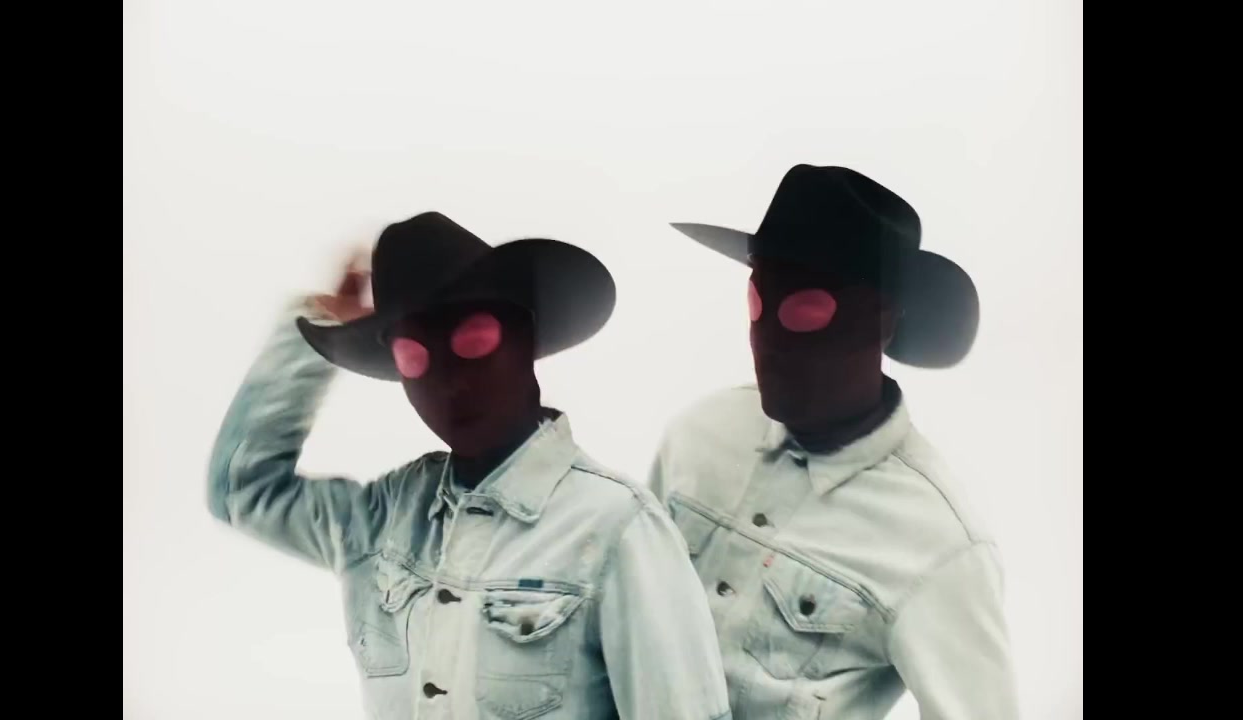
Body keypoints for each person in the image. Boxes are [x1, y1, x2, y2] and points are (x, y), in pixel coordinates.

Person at [208, 212, 731, 720]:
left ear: (525, 340)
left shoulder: (618, 527)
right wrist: (315, 331)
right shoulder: (383, 520)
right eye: (414, 356)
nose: (448, 381)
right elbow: (241, 488)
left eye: (474, 341)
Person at [649, 165, 1018, 719]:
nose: (767, 337)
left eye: (806, 310)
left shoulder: (939, 545)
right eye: (756, 301)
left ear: (881, 321)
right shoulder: (697, 437)